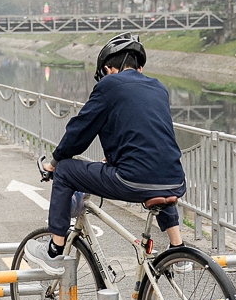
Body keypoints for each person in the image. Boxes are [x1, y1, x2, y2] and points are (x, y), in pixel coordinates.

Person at [23, 34, 186, 276]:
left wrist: (54, 162)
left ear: (110, 69)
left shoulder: (109, 85)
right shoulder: (158, 88)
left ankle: (55, 252)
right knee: (157, 176)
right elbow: (148, 136)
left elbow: (79, 133)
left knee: (67, 170)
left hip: (133, 179)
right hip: (175, 180)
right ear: (139, 67)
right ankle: (179, 251)